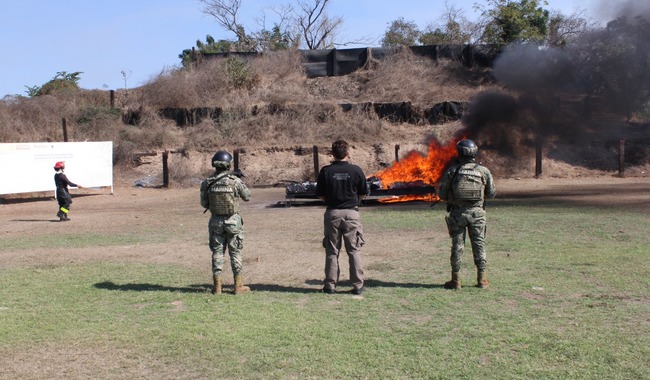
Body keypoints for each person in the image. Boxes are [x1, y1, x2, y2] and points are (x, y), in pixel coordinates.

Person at [438, 139, 496, 289]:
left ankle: (455, 280)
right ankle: (482, 280)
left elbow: (443, 194)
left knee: (457, 246)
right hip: (478, 214)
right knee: (479, 245)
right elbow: (491, 193)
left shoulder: (453, 170)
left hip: (458, 214)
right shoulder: (484, 171)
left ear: (459, 152)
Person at [316, 140, 369, 295]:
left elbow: (320, 194)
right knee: (354, 250)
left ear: (332, 154)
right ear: (348, 152)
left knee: (332, 251)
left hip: (332, 213)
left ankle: (330, 285)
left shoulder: (326, 171)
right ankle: (358, 285)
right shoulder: (356, 170)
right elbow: (363, 192)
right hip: (352, 213)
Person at [200, 150, 252, 295]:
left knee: (217, 253)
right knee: (235, 252)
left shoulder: (207, 182)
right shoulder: (235, 181)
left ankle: (217, 287)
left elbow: (204, 204)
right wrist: (240, 181)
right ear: (228, 165)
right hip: (233, 222)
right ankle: (238, 286)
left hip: (215, 222)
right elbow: (247, 196)